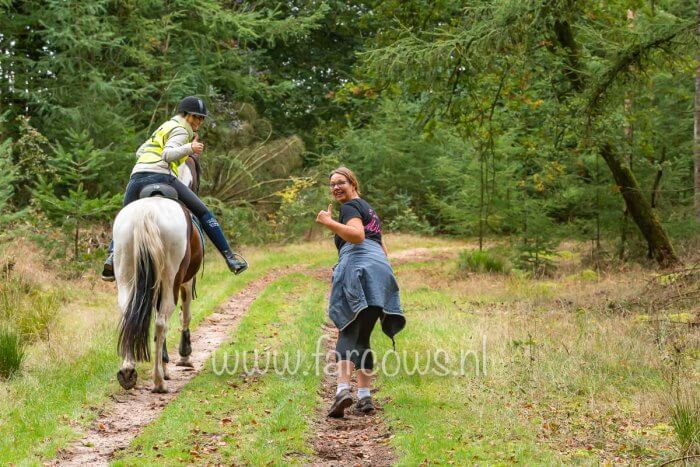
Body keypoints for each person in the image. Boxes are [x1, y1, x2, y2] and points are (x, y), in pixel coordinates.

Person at [101, 96, 248, 281]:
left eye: (202, 118)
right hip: (161, 175)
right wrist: (190, 147)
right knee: (204, 214)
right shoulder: (181, 129)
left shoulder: (165, 126)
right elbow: (168, 154)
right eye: (196, 117)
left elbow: (140, 152)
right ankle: (230, 258)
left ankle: (113, 255)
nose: (199, 122)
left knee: (123, 217)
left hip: (137, 177)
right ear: (185, 115)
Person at [315, 167, 405, 418]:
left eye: (340, 182)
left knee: (347, 328)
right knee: (363, 335)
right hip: (380, 274)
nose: (335, 188)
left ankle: (342, 389)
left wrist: (328, 222)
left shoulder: (350, 208)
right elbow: (382, 249)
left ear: (352, 182)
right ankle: (365, 397)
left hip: (359, 272)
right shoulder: (368, 209)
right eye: (332, 184)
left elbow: (356, 236)